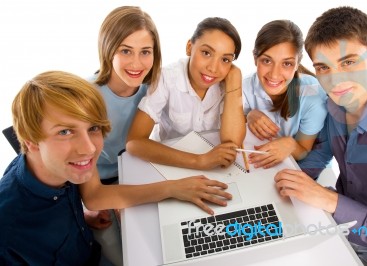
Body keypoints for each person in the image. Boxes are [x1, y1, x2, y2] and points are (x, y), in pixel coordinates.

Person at [0, 71, 232, 265]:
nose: (89, 148)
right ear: (30, 141)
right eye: (65, 132)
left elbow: (94, 195)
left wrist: (76, 216)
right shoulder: (8, 230)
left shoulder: (58, 166)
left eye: (93, 128)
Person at [275, 6, 367, 265]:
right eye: (323, 67)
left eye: (348, 62)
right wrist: (283, 178)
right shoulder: (334, 108)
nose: (335, 81)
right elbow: (318, 156)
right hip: (337, 230)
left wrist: (328, 199)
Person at [86, 6, 162, 265]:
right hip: (92, 183)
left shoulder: (152, 90)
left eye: (145, 52)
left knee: (157, 243)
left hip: (132, 172)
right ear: (108, 50)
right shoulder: (88, 97)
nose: (136, 63)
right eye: (125, 51)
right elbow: (87, 185)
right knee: (122, 256)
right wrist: (111, 200)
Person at [126, 17, 246, 170]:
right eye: (206, 53)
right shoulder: (167, 78)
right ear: (189, 47)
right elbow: (134, 142)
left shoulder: (227, 82)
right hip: (171, 159)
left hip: (211, 160)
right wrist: (199, 161)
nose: (214, 68)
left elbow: (232, 142)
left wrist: (235, 79)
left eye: (225, 59)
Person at [243, 20, 327, 169]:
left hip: (300, 167)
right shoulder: (245, 87)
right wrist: (249, 115)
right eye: (267, 61)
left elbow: (305, 152)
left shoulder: (313, 96)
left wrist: (292, 145)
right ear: (255, 58)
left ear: (297, 63)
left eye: (286, 63)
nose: (274, 75)